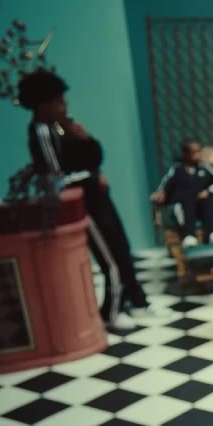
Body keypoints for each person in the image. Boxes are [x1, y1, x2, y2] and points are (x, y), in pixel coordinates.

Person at [18, 69, 166, 330]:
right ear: (44, 103)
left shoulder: (61, 127)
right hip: (82, 200)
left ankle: (137, 301)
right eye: (59, 101)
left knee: (121, 246)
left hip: (96, 195)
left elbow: (90, 157)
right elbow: (53, 173)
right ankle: (111, 311)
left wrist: (87, 142)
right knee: (108, 255)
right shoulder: (41, 131)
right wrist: (89, 175)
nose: (64, 106)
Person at [150, 138, 213, 248]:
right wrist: (161, 193)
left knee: (208, 200)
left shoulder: (204, 168)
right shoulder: (177, 169)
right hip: (184, 206)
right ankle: (188, 235)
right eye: (194, 152)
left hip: (201, 206)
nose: (198, 155)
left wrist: (208, 191)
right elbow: (165, 185)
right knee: (187, 200)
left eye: (199, 151)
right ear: (186, 154)